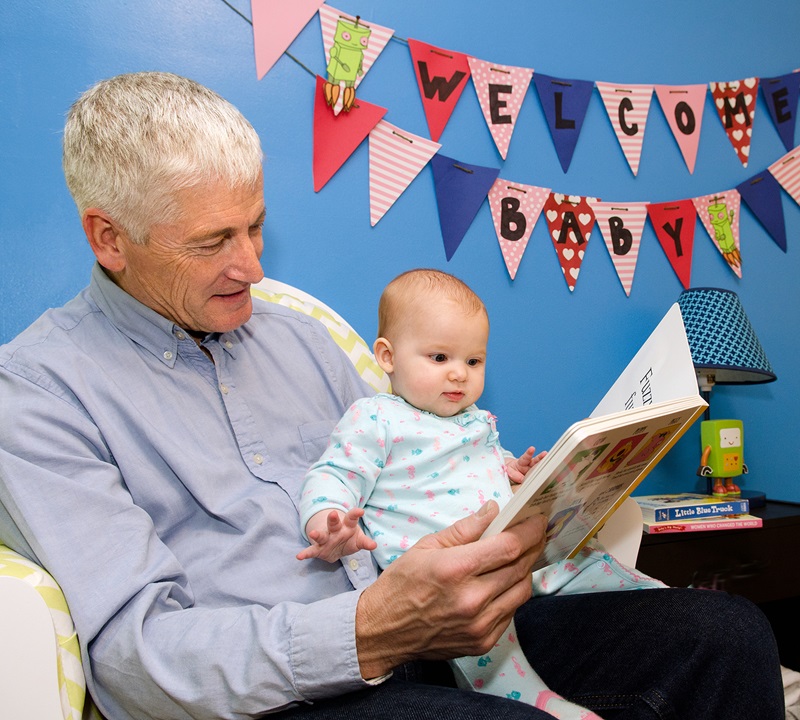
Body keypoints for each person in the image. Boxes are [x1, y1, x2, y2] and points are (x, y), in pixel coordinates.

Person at [0, 71, 785, 720]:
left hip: (434, 635)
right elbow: (133, 660)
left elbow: (408, 470)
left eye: (256, 227)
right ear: (108, 237)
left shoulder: (301, 339)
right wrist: (369, 631)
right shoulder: (39, 393)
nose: (252, 266)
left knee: (723, 634)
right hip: (281, 694)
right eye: (213, 243)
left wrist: (523, 505)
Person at [297, 269, 666, 720]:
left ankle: (656, 598)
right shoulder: (376, 418)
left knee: (587, 563)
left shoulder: (473, 419)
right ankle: (536, 701)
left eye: (474, 362)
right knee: (491, 645)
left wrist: (519, 474)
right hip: (449, 582)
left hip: (515, 559)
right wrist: (326, 519)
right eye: (439, 357)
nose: (459, 374)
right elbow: (333, 472)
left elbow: (484, 464)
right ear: (387, 356)